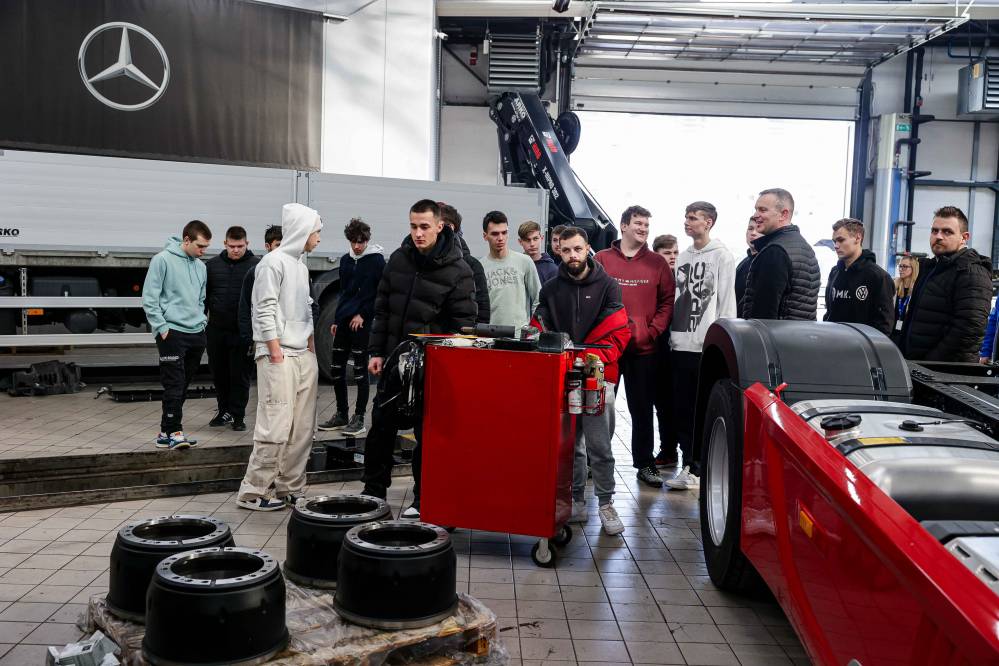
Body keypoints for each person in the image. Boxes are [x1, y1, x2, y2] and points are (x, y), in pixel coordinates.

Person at [362, 200, 477, 519]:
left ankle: (424, 498)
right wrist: (376, 352)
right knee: (380, 427)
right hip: (394, 361)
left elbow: (464, 328)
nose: (418, 233)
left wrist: (449, 368)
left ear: (441, 226)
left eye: (425, 226)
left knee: (428, 435)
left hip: (434, 368)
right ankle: (373, 492)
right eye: (413, 226)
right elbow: (382, 309)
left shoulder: (460, 270)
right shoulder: (398, 260)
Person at [532, 227, 631, 536]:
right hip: (563, 374)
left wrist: (589, 356)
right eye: (566, 250)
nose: (572, 255)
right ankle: (575, 500)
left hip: (598, 375)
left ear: (588, 248)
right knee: (571, 445)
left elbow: (618, 331)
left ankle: (606, 503)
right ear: (558, 251)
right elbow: (539, 327)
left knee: (599, 445)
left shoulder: (609, 286)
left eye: (577, 249)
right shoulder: (550, 288)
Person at [236, 204, 322, 511]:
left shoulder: (300, 266)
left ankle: (290, 487)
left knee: (302, 428)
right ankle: (253, 492)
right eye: (316, 231)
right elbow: (264, 308)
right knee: (275, 424)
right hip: (279, 353)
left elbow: (306, 310)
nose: (319, 238)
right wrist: (274, 350)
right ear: (303, 230)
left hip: (301, 354)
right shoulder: (272, 263)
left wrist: (310, 349)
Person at [594, 205, 674, 488]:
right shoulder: (602, 259)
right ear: (624, 226)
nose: (643, 229)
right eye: (638, 224)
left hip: (643, 350)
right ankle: (594, 461)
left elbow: (667, 302)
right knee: (601, 407)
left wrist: (652, 332)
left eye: (646, 225)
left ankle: (645, 463)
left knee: (642, 409)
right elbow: (592, 297)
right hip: (609, 350)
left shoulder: (657, 264)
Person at [668, 201, 736, 491]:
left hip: (704, 348)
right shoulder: (683, 257)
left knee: (701, 410)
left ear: (708, 222)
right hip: (680, 344)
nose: (687, 222)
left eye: (693, 217)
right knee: (681, 409)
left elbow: (727, 304)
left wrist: (721, 345)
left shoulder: (722, 256)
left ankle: (699, 467)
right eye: (686, 217)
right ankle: (688, 463)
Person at [142, 220, 211, 450]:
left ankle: (165, 433)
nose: (203, 251)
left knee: (183, 385)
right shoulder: (162, 260)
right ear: (187, 240)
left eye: (206, 247)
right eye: (200, 246)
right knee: (174, 383)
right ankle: (175, 431)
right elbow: (149, 298)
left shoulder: (201, 267)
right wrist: (162, 328)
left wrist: (201, 322)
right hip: (171, 332)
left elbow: (201, 299)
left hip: (196, 333)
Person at [899, 206, 992, 363]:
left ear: (964, 237)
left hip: (943, 371)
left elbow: (969, 329)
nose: (938, 236)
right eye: (934, 231)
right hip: (917, 366)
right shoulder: (932, 268)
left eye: (947, 232)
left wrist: (931, 363)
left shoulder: (972, 271)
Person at [318, 218, 385, 436]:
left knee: (359, 372)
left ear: (367, 240)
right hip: (344, 321)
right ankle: (341, 414)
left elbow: (378, 294)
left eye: (361, 242)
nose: (357, 246)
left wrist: (363, 314)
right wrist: (337, 320)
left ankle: (359, 418)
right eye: (354, 242)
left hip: (361, 323)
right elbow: (344, 293)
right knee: (336, 370)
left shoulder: (376, 261)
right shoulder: (346, 260)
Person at [205, 226, 259, 432]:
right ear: (225, 244)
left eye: (240, 246)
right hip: (216, 331)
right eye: (232, 246)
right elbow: (204, 298)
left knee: (240, 376)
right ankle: (223, 411)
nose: (236, 250)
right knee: (219, 375)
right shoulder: (212, 266)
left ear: (247, 244)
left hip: (242, 332)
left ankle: (238, 415)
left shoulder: (257, 266)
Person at [741, 188, 820, 320]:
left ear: (783, 214)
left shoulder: (775, 251)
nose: (755, 215)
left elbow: (764, 313)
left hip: (776, 332)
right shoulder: (804, 247)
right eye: (756, 209)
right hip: (799, 331)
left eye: (762, 210)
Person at [822, 218, 894, 336]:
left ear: (857, 238)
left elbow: (884, 325)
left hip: (862, 345)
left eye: (841, 240)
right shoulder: (835, 273)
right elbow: (829, 313)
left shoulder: (878, 276)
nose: (836, 246)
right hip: (833, 342)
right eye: (834, 241)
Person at [480, 211, 541, 331]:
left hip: (519, 336)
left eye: (504, 232)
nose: (500, 238)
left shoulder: (524, 261)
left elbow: (538, 298)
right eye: (495, 234)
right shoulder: (480, 266)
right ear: (485, 236)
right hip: (489, 336)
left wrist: (533, 330)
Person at [650, 233, 678, 468]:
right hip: (656, 344)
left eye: (675, 252)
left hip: (676, 348)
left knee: (669, 403)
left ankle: (670, 450)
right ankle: (667, 449)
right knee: (658, 401)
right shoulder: (654, 277)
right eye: (667, 253)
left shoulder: (683, 277)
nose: (672, 257)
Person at [439, 202, 490, 324]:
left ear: (450, 227)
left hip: (460, 334)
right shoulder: (419, 260)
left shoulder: (471, 265)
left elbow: (482, 312)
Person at [238, 226, 283, 348]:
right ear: (268, 246)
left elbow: (310, 306)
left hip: (290, 341)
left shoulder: (297, 270)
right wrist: (249, 340)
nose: (282, 249)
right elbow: (245, 307)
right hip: (264, 341)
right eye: (278, 245)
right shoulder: (256, 271)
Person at [735, 217, 762, 317]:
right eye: (750, 228)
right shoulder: (743, 263)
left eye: (758, 229)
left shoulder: (767, 261)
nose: (753, 233)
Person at [891, 254, 919, 345]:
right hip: (892, 333)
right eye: (900, 266)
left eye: (905, 266)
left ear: (913, 269)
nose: (901, 269)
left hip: (908, 335)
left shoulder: (917, 289)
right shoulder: (894, 285)